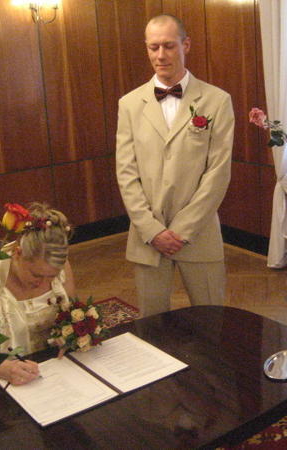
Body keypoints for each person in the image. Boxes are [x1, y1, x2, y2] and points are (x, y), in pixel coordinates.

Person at [116, 14, 234, 317]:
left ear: (186, 45)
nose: (160, 55)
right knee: (152, 325)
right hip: (148, 237)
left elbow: (218, 172)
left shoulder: (217, 101)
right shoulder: (129, 104)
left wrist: (182, 230)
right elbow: (126, 173)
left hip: (199, 233)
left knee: (211, 320)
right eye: (153, 47)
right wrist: (151, 229)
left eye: (168, 46)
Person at [0, 203, 76, 386]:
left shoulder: (60, 267)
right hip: (3, 379)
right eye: (36, 275)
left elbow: (71, 317)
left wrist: (71, 337)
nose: (44, 283)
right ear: (17, 253)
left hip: (54, 370)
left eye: (51, 276)